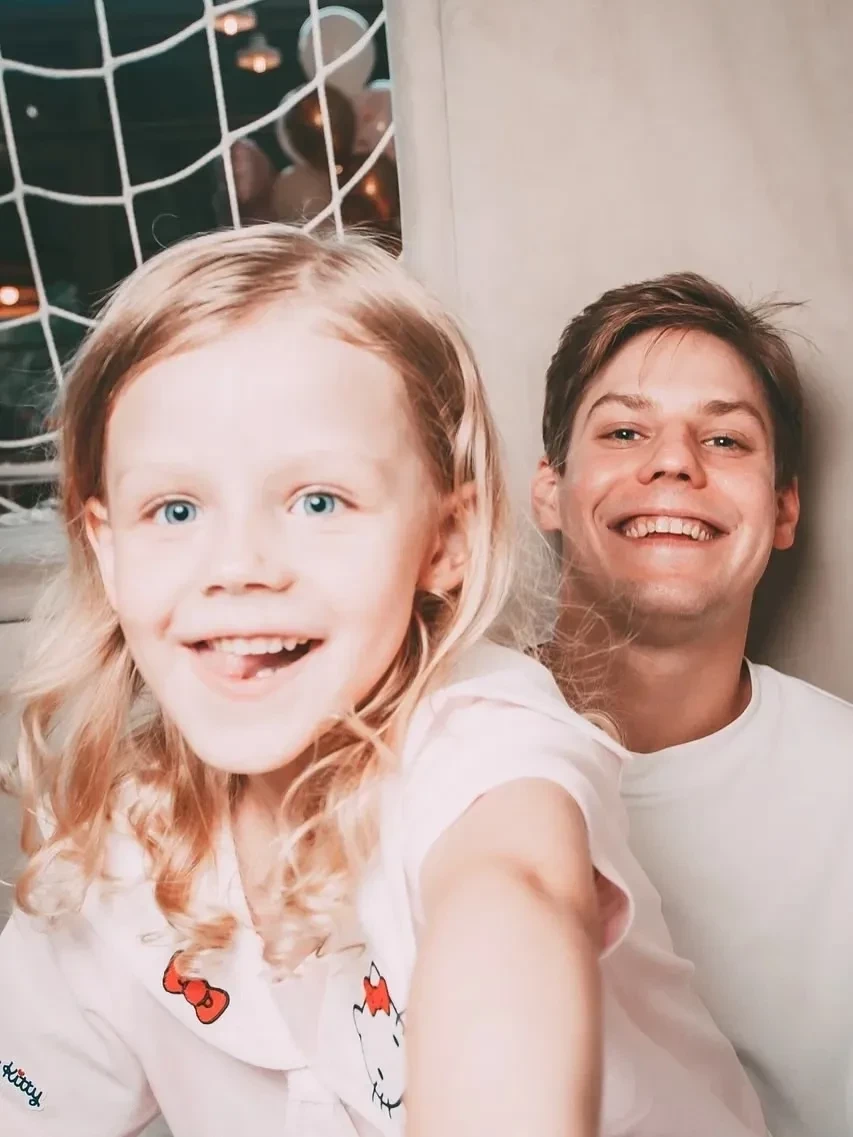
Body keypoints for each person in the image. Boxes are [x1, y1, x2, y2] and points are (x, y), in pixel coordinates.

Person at [0, 230, 764, 1137]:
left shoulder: (483, 741)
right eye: (175, 508)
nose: (238, 565)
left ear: (444, 540)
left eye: (318, 500)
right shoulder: (114, 847)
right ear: (107, 547)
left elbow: (511, 896)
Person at [532, 270, 853, 1137]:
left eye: (724, 439)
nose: (673, 460)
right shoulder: (438, 743)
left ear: (782, 508)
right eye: (624, 430)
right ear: (548, 489)